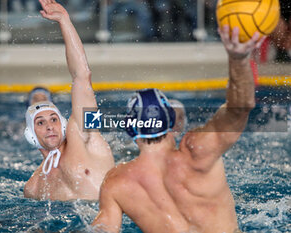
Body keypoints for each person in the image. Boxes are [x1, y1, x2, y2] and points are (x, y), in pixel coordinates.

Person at [92, 25, 265, 232]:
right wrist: (238, 59)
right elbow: (241, 108)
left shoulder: (116, 183)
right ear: (172, 121)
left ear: (130, 129)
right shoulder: (197, 152)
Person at [23, 0, 114, 201]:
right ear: (31, 135)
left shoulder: (85, 134)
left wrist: (65, 21)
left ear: (64, 125)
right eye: (41, 122)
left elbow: (82, 76)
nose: (49, 126)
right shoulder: (33, 187)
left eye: (54, 119)